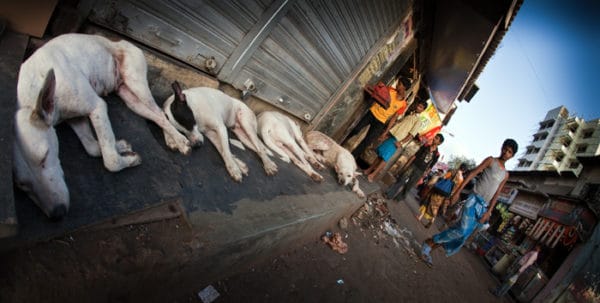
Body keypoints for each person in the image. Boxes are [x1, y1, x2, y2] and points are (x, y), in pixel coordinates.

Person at [421, 139, 519, 266]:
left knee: (461, 235)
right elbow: (472, 174)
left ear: (512, 156)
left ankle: (429, 251)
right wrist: (457, 193)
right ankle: (429, 242)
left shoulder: (505, 175)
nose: (506, 152)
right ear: (502, 148)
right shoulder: (491, 160)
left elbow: (497, 193)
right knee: (462, 230)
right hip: (473, 199)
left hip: (483, 207)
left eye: (510, 152)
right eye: (505, 149)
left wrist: (488, 211)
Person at [348, 77, 411, 163]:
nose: (397, 85)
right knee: (356, 129)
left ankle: (351, 157)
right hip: (372, 113)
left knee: (367, 141)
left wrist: (386, 131)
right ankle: (342, 141)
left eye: (399, 84)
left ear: (404, 87)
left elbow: (394, 118)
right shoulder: (390, 90)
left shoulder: (403, 104)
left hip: (380, 122)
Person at [363, 99, 428, 182]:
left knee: (385, 158)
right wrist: (388, 134)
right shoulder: (410, 114)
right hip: (393, 136)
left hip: (398, 140)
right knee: (381, 154)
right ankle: (369, 170)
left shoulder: (418, 121)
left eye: (420, 107)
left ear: (423, 110)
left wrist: (401, 143)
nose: (418, 107)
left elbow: (411, 135)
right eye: (418, 105)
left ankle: (372, 175)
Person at [385, 133, 443, 203]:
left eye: (437, 138)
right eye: (435, 137)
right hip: (413, 165)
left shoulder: (437, 154)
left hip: (420, 171)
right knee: (401, 179)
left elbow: (431, 165)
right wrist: (407, 164)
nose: (434, 139)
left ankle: (398, 198)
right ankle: (389, 194)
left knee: (409, 185)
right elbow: (415, 155)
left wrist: (424, 174)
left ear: (439, 143)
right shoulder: (426, 146)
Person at [416, 163, 465, 228]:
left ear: (460, 166)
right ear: (464, 171)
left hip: (439, 190)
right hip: (447, 194)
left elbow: (444, 177)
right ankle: (431, 220)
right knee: (436, 206)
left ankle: (421, 217)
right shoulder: (462, 179)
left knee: (428, 201)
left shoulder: (454, 171)